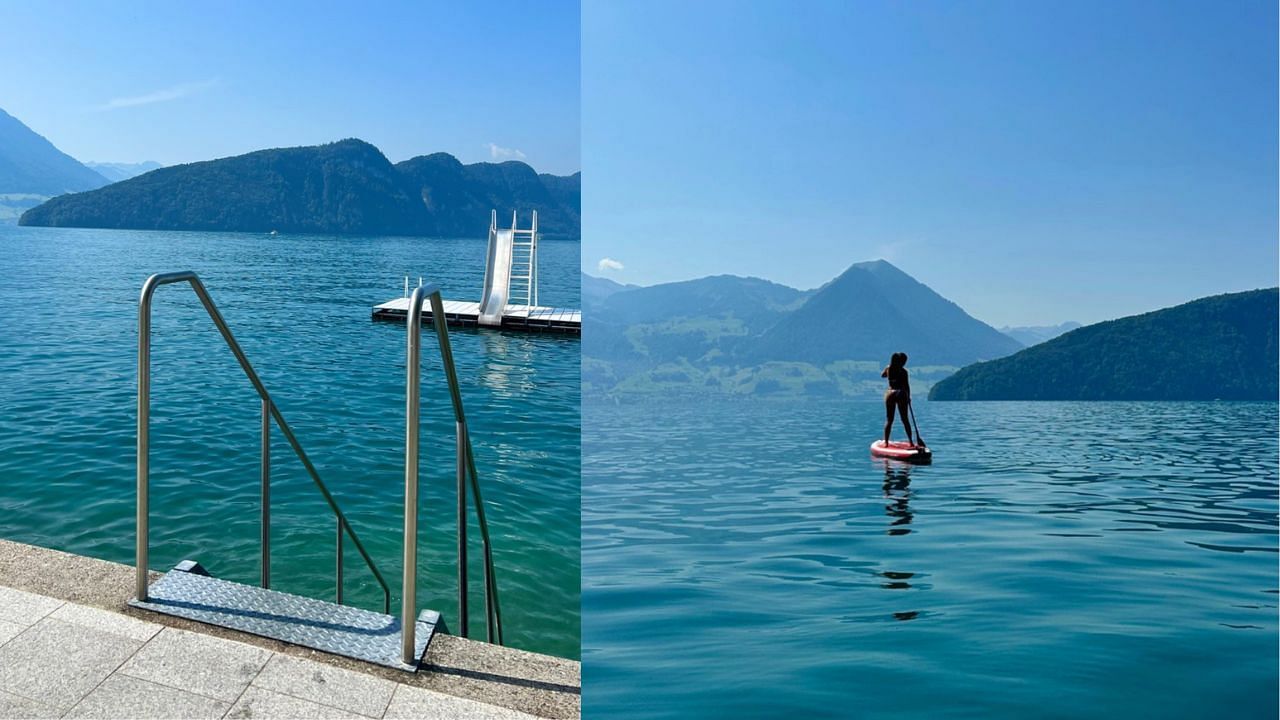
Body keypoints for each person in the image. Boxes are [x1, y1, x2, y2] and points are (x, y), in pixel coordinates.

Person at [881, 352, 914, 447]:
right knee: (905, 419)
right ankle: (911, 442)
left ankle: (886, 443)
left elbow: (882, 375)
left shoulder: (889, 368)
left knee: (889, 419)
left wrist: (888, 370)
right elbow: (907, 386)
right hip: (901, 393)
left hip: (890, 394)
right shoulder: (904, 372)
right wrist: (908, 397)